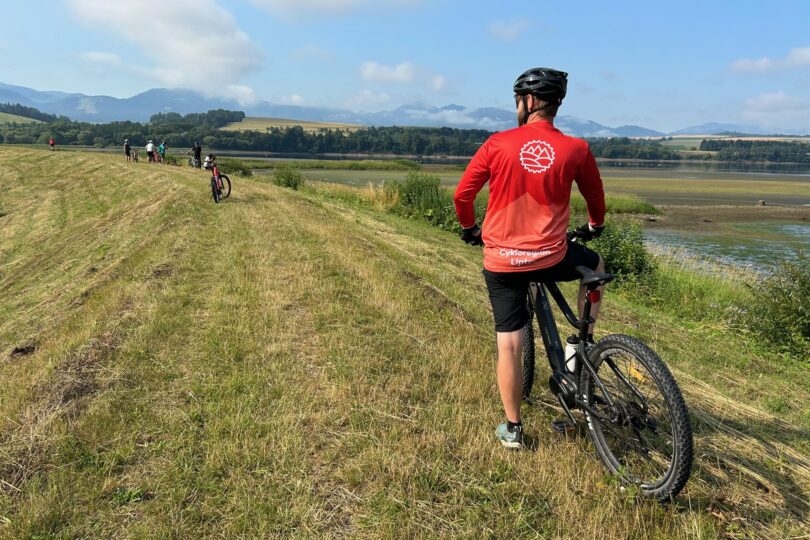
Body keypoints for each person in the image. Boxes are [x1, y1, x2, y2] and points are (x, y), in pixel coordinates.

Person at [453, 67, 606, 449]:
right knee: (596, 266)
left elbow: (462, 197)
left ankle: (513, 429)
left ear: (530, 102)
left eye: (518, 100)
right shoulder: (576, 148)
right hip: (552, 256)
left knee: (509, 344)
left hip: (503, 262)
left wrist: (471, 228)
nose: (517, 106)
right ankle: (582, 347)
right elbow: (595, 199)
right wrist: (593, 225)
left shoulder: (497, 144)